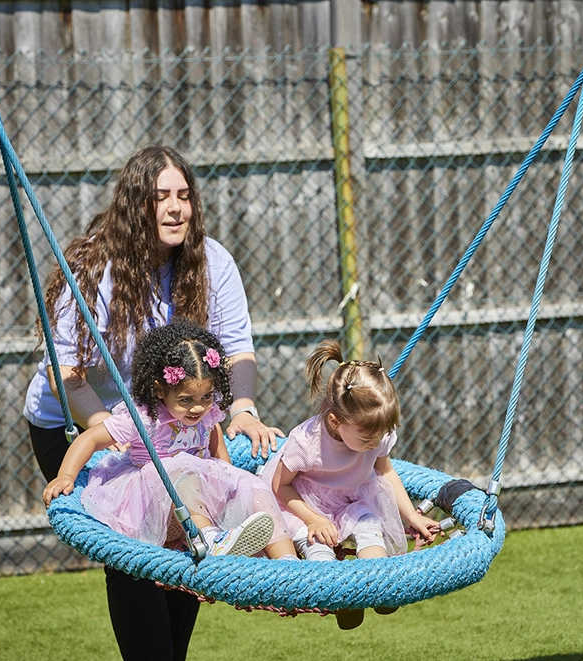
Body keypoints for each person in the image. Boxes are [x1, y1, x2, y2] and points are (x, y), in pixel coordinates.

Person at [23, 145, 283, 661]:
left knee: (185, 533)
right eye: (161, 196)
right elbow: (65, 371)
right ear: (136, 204)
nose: (176, 208)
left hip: (172, 424)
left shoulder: (210, 261)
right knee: (134, 549)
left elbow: (237, 349)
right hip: (81, 422)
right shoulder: (94, 266)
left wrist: (243, 408)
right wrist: (118, 432)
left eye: (184, 195)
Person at [43, 320, 297, 561]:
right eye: (186, 400)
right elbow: (88, 439)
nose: (198, 408)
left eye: (206, 396)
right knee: (181, 470)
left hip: (198, 502)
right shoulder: (144, 419)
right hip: (157, 505)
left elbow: (216, 443)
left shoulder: (207, 414)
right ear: (159, 390)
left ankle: (288, 561)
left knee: (253, 486)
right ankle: (209, 538)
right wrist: (66, 475)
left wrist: (230, 481)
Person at [264, 340, 442, 628]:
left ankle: (379, 584)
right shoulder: (307, 442)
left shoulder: (375, 432)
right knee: (316, 542)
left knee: (369, 524)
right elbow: (279, 487)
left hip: (351, 498)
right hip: (304, 504)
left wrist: (412, 516)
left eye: (380, 436)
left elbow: (386, 472)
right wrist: (313, 519)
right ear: (335, 422)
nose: (374, 443)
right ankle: (340, 598)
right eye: (367, 439)